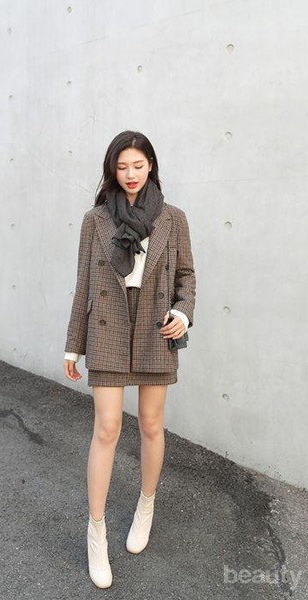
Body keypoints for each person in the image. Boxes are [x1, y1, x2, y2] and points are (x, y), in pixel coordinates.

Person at [63, 130, 196, 588]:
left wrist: (183, 312)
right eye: (122, 167)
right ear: (112, 170)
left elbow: (186, 276)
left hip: (156, 324)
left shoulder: (173, 218)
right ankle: (96, 531)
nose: (131, 174)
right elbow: (83, 284)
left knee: (152, 425)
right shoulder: (95, 220)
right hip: (109, 324)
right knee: (107, 428)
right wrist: (73, 344)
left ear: (151, 165)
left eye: (138, 165)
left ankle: (146, 504)